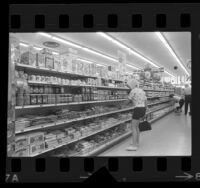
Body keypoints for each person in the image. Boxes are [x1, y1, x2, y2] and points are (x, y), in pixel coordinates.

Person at [124, 79, 147, 151]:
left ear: (132, 85)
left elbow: (128, 101)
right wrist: (145, 111)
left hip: (137, 109)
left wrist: (122, 104)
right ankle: (136, 142)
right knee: (137, 127)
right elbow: (146, 101)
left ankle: (134, 146)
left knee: (133, 127)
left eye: (129, 86)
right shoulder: (142, 91)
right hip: (143, 108)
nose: (129, 87)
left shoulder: (133, 91)